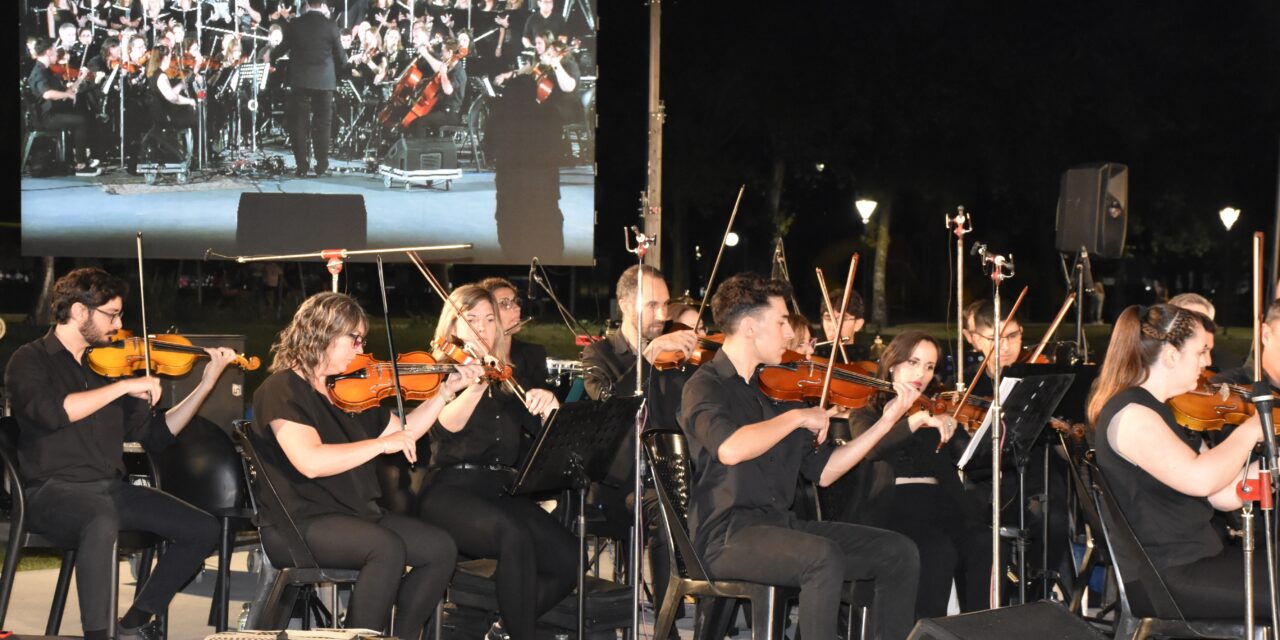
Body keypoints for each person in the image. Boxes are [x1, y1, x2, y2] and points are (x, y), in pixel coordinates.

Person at [681, 272, 920, 639]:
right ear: (749, 327)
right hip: (724, 535)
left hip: (780, 527)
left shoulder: (777, 392)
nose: (789, 333)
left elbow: (825, 472)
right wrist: (796, 418)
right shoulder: (705, 386)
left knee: (898, 551)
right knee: (821, 557)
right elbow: (730, 448)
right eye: (780, 322)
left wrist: (886, 422)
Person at [3, 268, 238, 640]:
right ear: (80, 311)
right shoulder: (29, 359)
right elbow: (53, 413)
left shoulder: (107, 367)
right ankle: (100, 634)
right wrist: (125, 387)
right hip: (50, 492)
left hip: (109, 488)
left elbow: (157, 435)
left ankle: (133, 623)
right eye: (111, 314)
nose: (119, 323)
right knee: (100, 519)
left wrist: (206, 384)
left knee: (202, 528)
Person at [250, 291, 480, 639]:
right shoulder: (281, 389)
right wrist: (379, 444)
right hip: (299, 523)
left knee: (440, 548)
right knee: (385, 548)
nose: (361, 350)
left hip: (354, 514)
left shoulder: (348, 389)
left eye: (363, 340)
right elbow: (310, 461)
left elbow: (406, 432)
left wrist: (446, 393)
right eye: (354, 339)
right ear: (322, 334)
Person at [1089, 303, 1271, 618]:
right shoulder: (1132, 415)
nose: (1209, 362)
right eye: (1201, 351)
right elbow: (1200, 478)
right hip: (1169, 576)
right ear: (1173, 355)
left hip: (1196, 561)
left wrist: (1271, 462)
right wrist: (1252, 429)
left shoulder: (1163, 410)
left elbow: (1223, 495)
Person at [416, 285, 576, 640]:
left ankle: (503, 628)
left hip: (501, 491)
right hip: (450, 491)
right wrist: (471, 385)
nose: (482, 329)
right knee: (513, 536)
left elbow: (546, 436)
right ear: (452, 327)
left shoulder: (507, 377)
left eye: (489, 320)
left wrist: (550, 406)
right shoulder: (438, 371)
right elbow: (446, 425)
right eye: (470, 320)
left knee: (569, 558)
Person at [833, 330, 985, 619]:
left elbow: (971, 459)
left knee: (983, 544)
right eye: (913, 363)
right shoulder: (865, 411)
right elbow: (872, 449)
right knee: (937, 551)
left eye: (929, 367)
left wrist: (967, 431)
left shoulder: (934, 410)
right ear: (892, 363)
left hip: (943, 502)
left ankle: (976, 628)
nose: (922, 374)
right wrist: (914, 421)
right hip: (896, 506)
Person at [271, 0, 348, 177]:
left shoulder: (295, 24)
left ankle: (302, 166)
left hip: (300, 80)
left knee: (298, 123)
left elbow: (283, 47)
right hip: (324, 81)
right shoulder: (331, 25)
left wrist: (272, 56)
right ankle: (321, 165)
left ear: (306, 4)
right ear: (322, 5)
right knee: (323, 124)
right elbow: (341, 57)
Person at [28, 37, 101, 176]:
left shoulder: (47, 70)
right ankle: (81, 164)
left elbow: (67, 92)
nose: (58, 55)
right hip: (46, 117)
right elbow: (48, 94)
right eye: (56, 52)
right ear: (48, 52)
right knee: (81, 121)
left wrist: (80, 79)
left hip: (52, 112)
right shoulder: (39, 72)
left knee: (84, 116)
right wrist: (67, 96)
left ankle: (78, 158)